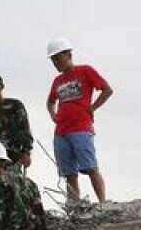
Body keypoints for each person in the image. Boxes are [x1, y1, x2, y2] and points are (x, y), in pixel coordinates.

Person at [45, 38, 113, 203]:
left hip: (81, 128)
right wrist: (53, 115)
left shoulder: (85, 71)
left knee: (90, 167)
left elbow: (107, 90)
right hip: (61, 132)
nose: (55, 62)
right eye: (53, 59)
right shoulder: (57, 81)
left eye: (58, 58)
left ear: (68, 54)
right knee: (69, 174)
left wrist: (92, 107)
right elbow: (50, 101)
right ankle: (74, 208)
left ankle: (103, 203)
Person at [0, 73, 34, 165]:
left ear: (1, 87)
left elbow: (24, 128)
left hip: (14, 155)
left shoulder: (15, 105)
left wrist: (26, 152)